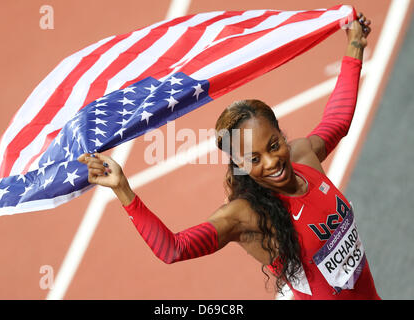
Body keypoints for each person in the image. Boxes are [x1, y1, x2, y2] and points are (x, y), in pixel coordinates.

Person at [78, 12, 380, 300]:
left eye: (273, 145)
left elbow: (337, 121)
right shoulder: (245, 215)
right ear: (240, 165)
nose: (272, 162)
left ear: (281, 134)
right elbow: (173, 249)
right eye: (254, 159)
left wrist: (354, 44)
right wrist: (123, 190)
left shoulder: (303, 156)